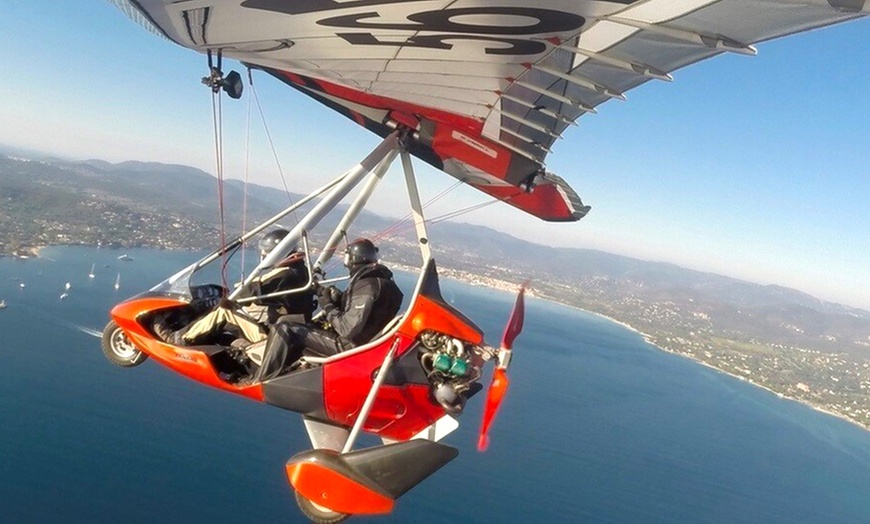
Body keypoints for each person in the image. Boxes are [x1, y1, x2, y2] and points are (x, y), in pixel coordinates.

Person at [257, 238, 403, 381]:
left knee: (285, 327)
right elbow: (370, 315)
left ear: (350, 259)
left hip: (349, 348)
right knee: (297, 322)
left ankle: (261, 378)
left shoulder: (366, 286)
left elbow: (347, 329)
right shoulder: (385, 285)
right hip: (367, 345)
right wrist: (334, 298)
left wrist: (327, 306)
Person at [172, 229, 315, 346]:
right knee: (247, 310)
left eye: (267, 252)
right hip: (292, 331)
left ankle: (182, 338)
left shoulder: (284, 275)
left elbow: (250, 291)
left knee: (225, 312)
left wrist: (229, 300)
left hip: (276, 337)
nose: (264, 255)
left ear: (277, 253)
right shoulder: (300, 269)